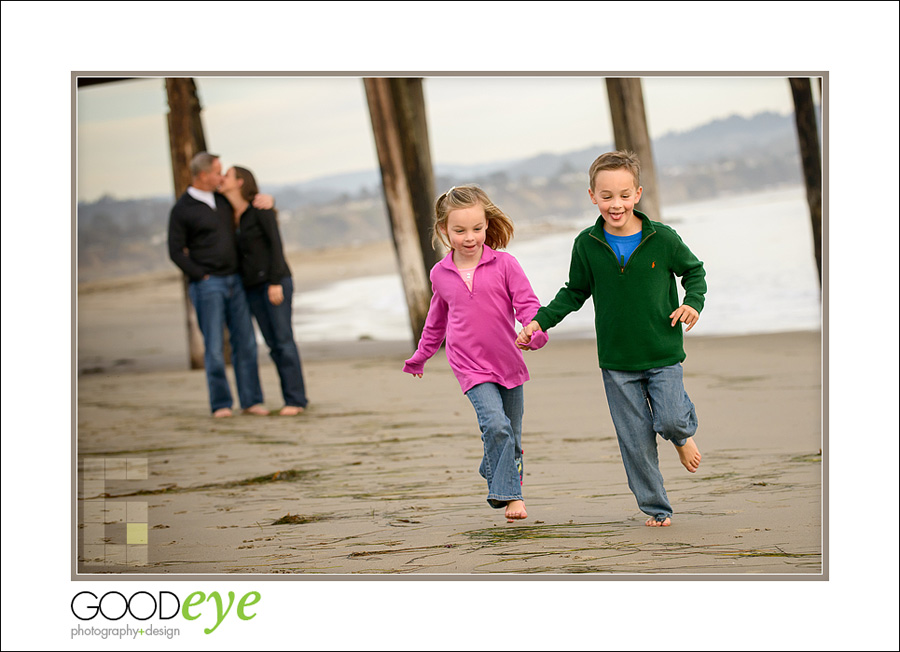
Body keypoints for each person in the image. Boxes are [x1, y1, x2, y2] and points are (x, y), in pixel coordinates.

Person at [517, 151, 706, 527]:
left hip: (663, 352)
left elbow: (694, 272)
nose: (615, 204)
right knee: (635, 441)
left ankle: (682, 435)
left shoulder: (662, 238)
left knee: (669, 419)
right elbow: (574, 292)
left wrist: (692, 304)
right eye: (606, 196)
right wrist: (540, 322)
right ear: (592, 196)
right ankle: (657, 508)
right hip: (617, 362)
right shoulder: (586, 244)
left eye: (623, 195)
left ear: (637, 193)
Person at [403, 185, 548, 522]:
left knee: (511, 433)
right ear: (443, 230)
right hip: (468, 365)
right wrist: (421, 356)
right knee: (496, 425)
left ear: (487, 224)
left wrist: (534, 334)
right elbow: (436, 320)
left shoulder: (505, 264)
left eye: (477, 229)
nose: (470, 237)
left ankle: (492, 466)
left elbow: (527, 305)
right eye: (459, 230)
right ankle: (511, 497)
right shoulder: (440, 273)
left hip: (508, 361)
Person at [167, 152, 269, 418]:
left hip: (236, 281)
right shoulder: (183, 209)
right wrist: (201, 275)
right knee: (213, 347)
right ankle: (221, 404)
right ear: (202, 175)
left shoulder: (223, 201)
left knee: (246, 343)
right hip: (208, 285)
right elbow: (175, 251)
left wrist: (269, 200)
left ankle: (251, 400)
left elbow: (251, 208)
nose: (221, 177)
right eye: (217, 172)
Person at [219, 165, 309, 416]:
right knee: (272, 344)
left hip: (274, 283)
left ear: (240, 182)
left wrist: (274, 282)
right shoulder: (226, 213)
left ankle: (296, 400)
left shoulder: (261, 210)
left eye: (226, 176)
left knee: (283, 341)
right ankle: (290, 398)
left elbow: (276, 247)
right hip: (250, 288)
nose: (221, 179)